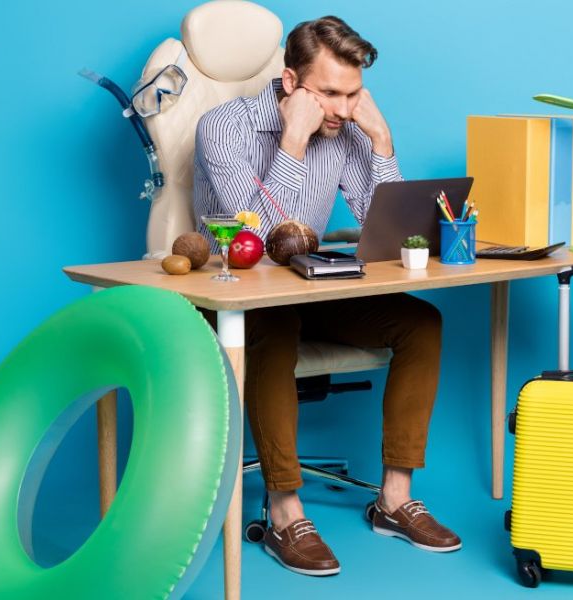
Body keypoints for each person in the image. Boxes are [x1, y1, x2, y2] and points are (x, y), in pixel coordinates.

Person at [193, 15, 461, 576]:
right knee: (275, 322)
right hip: (239, 300)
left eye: (354, 93)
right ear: (290, 83)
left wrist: (382, 141)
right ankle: (286, 511)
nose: (342, 110)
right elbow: (259, 240)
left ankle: (393, 500)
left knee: (421, 323)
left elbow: (391, 231)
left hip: (313, 288)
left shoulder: (347, 131)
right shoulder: (223, 128)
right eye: (330, 94)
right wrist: (293, 139)